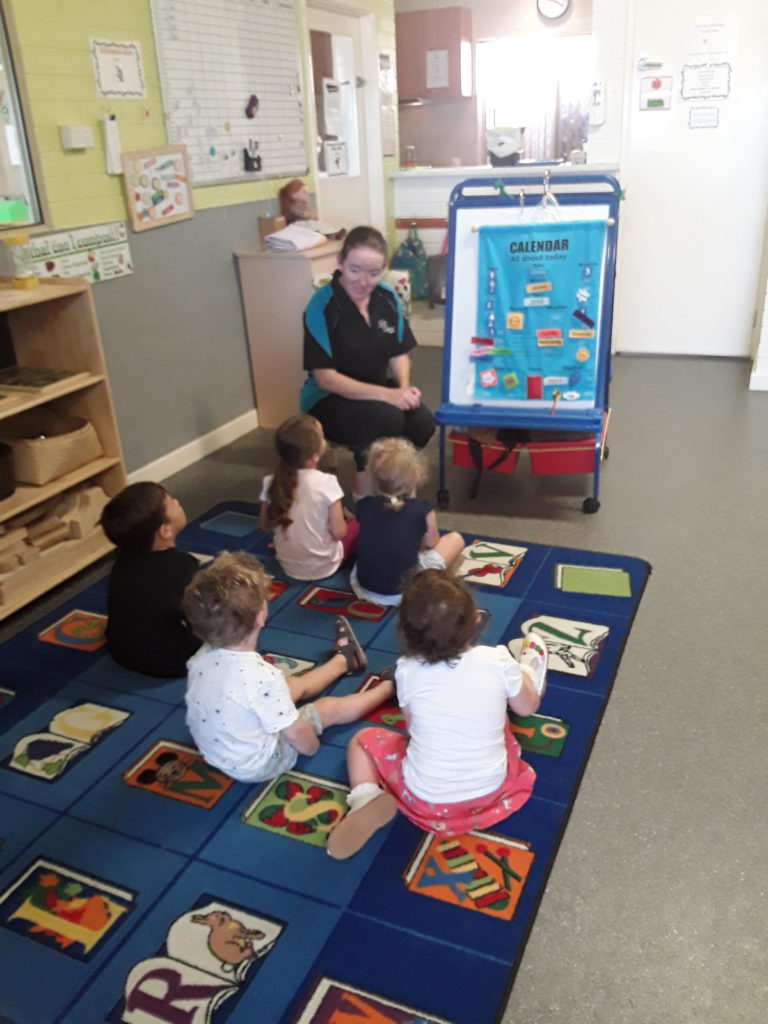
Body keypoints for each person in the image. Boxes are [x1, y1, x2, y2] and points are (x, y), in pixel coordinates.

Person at [326, 569, 549, 859]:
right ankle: (528, 673)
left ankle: (365, 796)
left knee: (362, 740)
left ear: (405, 632)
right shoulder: (497, 660)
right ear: (476, 620)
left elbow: (412, 728)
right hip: (490, 791)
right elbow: (527, 708)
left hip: (425, 799)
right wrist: (524, 680)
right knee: (504, 722)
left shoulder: (406, 670)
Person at [182, 551, 394, 784]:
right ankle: (388, 688)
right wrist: (311, 747)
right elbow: (296, 732)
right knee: (327, 708)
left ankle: (343, 662)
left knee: (289, 687)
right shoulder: (262, 677)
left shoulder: (200, 657)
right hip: (259, 764)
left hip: (217, 753)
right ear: (260, 617)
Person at [300, 225, 436, 496]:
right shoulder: (321, 306)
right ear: (340, 262)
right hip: (327, 399)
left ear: (384, 269)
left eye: (373, 273)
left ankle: (392, 484)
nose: (363, 281)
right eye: (354, 270)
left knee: (422, 422)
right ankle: (364, 500)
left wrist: (403, 390)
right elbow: (326, 378)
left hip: (378, 389)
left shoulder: (387, 297)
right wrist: (389, 396)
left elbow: (399, 352)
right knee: (385, 419)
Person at [101, 482, 201, 678]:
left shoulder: (121, 559)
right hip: (170, 662)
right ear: (165, 531)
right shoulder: (182, 565)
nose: (177, 501)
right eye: (172, 502)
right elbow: (198, 616)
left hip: (120, 652)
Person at [350, 437, 464, 605]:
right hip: (407, 592)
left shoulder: (364, 505)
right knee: (456, 539)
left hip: (364, 587)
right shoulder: (423, 510)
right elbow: (431, 544)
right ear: (415, 477)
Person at [259, 414, 358, 580]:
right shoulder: (327, 483)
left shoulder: (270, 482)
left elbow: (265, 525)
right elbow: (339, 533)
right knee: (357, 523)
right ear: (315, 455)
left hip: (287, 564)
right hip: (326, 565)